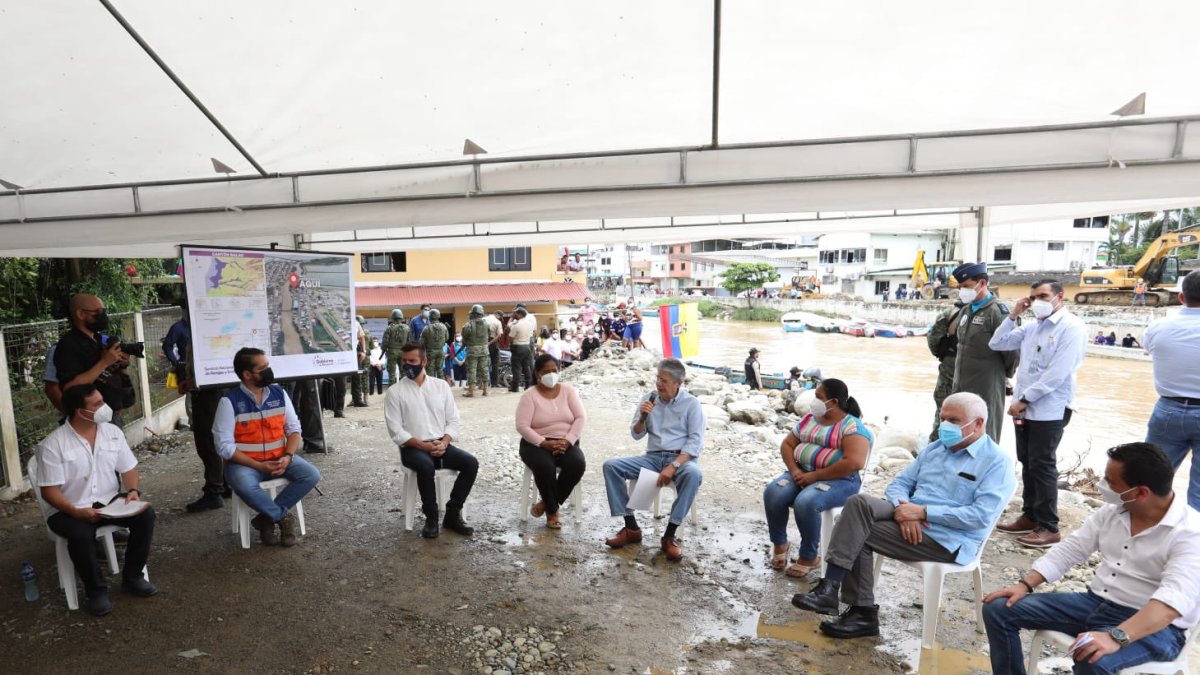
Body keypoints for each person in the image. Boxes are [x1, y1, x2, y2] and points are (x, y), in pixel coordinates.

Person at [791, 392, 1015, 638]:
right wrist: (905, 509)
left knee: (855, 530)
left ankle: (859, 610)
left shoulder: (997, 462)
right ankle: (831, 590)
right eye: (943, 418)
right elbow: (899, 484)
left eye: (954, 420)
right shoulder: (935, 448)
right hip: (907, 512)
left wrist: (923, 512)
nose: (946, 426)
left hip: (945, 537)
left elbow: (980, 516)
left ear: (978, 423)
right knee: (858, 503)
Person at [982, 442, 1200, 675]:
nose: (1103, 486)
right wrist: (1025, 584)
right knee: (998, 609)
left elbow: (1171, 603)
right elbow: (1072, 548)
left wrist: (1117, 636)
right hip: (1094, 603)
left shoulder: (1190, 532)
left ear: (1141, 492)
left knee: (1092, 657)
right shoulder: (1113, 511)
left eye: (1111, 482)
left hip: (1155, 626)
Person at [34, 384, 158, 616]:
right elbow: (49, 492)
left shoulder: (112, 432)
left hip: (109, 502)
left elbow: (128, 469)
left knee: (145, 515)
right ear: (81, 412)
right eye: (97, 404)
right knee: (81, 535)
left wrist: (132, 491)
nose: (105, 407)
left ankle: (133, 577)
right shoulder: (54, 444)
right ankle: (96, 591)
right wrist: (75, 512)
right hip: (68, 509)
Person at [988, 279, 1088, 548]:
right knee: (1027, 461)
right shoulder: (1032, 328)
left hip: (1050, 408)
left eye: (1043, 296)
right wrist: (1013, 314)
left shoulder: (1071, 328)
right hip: (1025, 408)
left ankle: (1049, 526)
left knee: (1043, 465)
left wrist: (1024, 399)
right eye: (1033, 298)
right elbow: (997, 343)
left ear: (1060, 297)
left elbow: (1058, 373)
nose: (1037, 302)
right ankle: (1030, 515)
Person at [763, 379, 874, 577]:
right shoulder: (809, 419)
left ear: (834, 402)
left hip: (839, 481)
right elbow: (787, 445)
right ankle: (780, 544)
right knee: (774, 492)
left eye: (819, 397)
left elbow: (855, 462)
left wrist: (815, 476)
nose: (815, 401)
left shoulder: (851, 426)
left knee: (807, 501)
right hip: (802, 473)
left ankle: (809, 556)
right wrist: (796, 471)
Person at [213, 348, 321, 547]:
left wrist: (288, 456)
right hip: (244, 465)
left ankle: (265, 519)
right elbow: (224, 447)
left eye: (268, 366)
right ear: (247, 374)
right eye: (263, 368)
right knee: (245, 486)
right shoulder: (229, 402)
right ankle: (281, 517)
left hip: (279, 457)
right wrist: (259, 466)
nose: (269, 371)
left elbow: (294, 429)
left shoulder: (279, 394)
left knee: (311, 475)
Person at [602, 359, 706, 561]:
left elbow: (695, 443)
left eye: (664, 380)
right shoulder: (649, 398)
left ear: (678, 383)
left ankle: (669, 536)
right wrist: (642, 417)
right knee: (611, 466)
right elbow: (636, 434)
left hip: (680, 458)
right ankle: (631, 527)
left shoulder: (691, 404)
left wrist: (674, 466)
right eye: (658, 378)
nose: (659, 384)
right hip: (652, 457)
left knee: (694, 474)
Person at [384, 342, 477, 538]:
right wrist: (423, 446)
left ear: (424, 361)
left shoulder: (441, 386)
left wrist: (444, 441)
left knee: (470, 463)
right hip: (412, 447)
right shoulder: (395, 392)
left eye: (412, 361)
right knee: (425, 467)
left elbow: (453, 419)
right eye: (405, 361)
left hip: (440, 443)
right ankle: (431, 518)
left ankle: (452, 514)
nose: (407, 365)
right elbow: (396, 431)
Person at [1143, 269, 1200, 511]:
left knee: (1150, 480)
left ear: (1181, 297)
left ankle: (1145, 533)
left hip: (1168, 409)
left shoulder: (1159, 326)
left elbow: (1149, 350)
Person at [949, 263, 1020, 443]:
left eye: (966, 286)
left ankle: (985, 470)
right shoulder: (965, 311)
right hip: (961, 383)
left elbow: (1012, 352)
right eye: (961, 287)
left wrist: (1002, 375)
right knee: (959, 431)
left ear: (981, 283)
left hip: (987, 384)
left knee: (985, 432)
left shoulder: (997, 312)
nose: (962, 290)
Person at [517, 354, 588, 529]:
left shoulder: (568, 391)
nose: (551, 375)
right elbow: (522, 426)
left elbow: (580, 418)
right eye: (546, 372)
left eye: (554, 371)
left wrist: (568, 440)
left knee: (577, 463)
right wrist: (543, 442)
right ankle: (552, 511)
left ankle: (548, 503)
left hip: (566, 442)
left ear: (559, 371)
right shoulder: (529, 396)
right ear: (537, 374)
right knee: (544, 466)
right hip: (535, 444)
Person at [54, 294, 133, 428]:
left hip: (110, 413)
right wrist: (104, 362)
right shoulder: (68, 345)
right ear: (80, 313)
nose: (103, 316)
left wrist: (118, 362)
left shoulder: (97, 339)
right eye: (98, 312)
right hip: (90, 418)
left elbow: (102, 373)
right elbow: (69, 387)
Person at [926, 300, 964, 441]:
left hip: (950, 365)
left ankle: (937, 445)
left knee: (943, 410)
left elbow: (933, 339)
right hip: (979, 371)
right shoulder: (991, 312)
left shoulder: (950, 313)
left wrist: (942, 354)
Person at [461, 304, 490, 397]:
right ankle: (485, 390)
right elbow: (488, 336)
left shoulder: (468, 325)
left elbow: (464, 338)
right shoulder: (486, 324)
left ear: (473, 313)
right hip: (484, 350)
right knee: (484, 369)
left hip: (472, 350)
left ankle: (471, 391)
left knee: (472, 370)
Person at [508, 307, 535, 392]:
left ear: (520, 314)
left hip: (517, 347)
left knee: (516, 368)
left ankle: (515, 387)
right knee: (526, 367)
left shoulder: (517, 325)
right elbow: (531, 335)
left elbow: (510, 338)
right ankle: (528, 386)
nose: (515, 314)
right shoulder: (530, 324)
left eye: (516, 313)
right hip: (527, 347)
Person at [381, 308, 410, 387]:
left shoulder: (389, 328)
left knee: (392, 373)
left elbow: (385, 342)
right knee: (403, 372)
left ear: (392, 317)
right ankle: (404, 390)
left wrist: (383, 350)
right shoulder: (407, 328)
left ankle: (392, 391)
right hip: (403, 352)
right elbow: (409, 341)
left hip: (392, 352)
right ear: (401, 317)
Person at [420, 308, 449, 379]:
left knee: (430, 371)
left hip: (430, 352)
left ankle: (431, 388)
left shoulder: (426, 328)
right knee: (440, 370)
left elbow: (421, 342)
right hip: (440, 351)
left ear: (429, 317)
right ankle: (441, 387)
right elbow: (446, 338)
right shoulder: (444, 327)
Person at [350, 315, 371, 407]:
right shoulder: (368, 332)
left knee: (356, 377)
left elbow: (361, 337)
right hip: (342, 352)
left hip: (355, 352)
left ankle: (357, 400)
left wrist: (363, 351)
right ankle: (363, 398)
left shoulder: (355, 323)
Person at [486, 310, 504, 388]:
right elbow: (499, 335)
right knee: (495, 364)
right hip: (493, 343)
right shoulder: (497, 322)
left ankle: (483, 384)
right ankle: (494, 383)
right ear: (498, 315)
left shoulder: (484, 319)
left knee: (482, 364)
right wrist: (489, 343)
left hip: (482, 342)